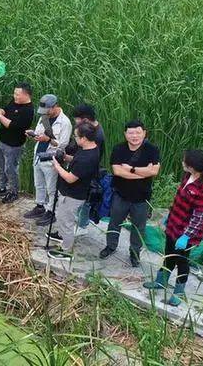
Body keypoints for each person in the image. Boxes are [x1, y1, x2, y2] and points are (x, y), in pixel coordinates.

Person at [144, 150, 203, 306]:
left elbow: (199, 218)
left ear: (192, 165)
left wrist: (186, 236)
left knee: (182, 261)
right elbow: (178, 201)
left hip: (186, 233)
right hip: (174, 226)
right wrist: (169, 218)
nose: (182, 163)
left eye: (184, 161)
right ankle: (161, 281)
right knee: (168, 254)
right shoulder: (187, 177)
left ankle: (179, 292)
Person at [99, 119, 161, 267]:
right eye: (131, 132)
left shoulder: (152, 150)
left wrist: (131, 169)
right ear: (125, 134)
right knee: (115, 222)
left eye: (138, 132)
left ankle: (134, 253)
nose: (134, 136)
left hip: (142, 196)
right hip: (121, 194)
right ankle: (111, 246)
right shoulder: (119, 149)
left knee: (138, 227)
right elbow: (117, 171)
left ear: (144, 133)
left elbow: (154, 171)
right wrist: (143, 173)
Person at [45, 122, 101, 260]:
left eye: (76, 136)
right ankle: (63, 239)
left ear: (84, 138)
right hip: (71, 192)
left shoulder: (87, 158)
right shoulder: (89, 149)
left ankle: (65, 251)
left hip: (73, 195)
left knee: (66, 222)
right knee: (63, 218)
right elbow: (77, 161)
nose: (74, 138)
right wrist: (65, 157)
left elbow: (70, 178)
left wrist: (57, 166)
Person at [23, 94, 73, 226]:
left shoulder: (65, 122)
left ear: (55, 106)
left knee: (51, 187)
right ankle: (40, 206)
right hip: (39, 154)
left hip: (52, 158)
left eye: (47, 110)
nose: (45, 113)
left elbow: (62, 145)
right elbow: (40, 133)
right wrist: (33, 134)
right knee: (38, 183)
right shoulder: (44, 117)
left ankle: (51, 211)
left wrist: (49, 140)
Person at [0, 82, 35, 204]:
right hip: (3, 141)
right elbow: (6, 111)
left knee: (11, 169)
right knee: (0, 165)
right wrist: (0, 111)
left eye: (17, 94)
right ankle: (2, 187)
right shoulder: (15, 102)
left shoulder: (28, 110)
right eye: (14, 93)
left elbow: (11, 125)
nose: (14, 96)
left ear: (26, 95)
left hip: (14, 145)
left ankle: (13, 192)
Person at [70, 104, 106, 231]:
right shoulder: (93, 128)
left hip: (88, 170)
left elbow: (91, 156)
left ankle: (82, 226)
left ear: (85, 119)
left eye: (77, 120)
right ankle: (79, 222)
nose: (76, 123)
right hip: (83, 165)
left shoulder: (97, 135)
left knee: (85, 200)